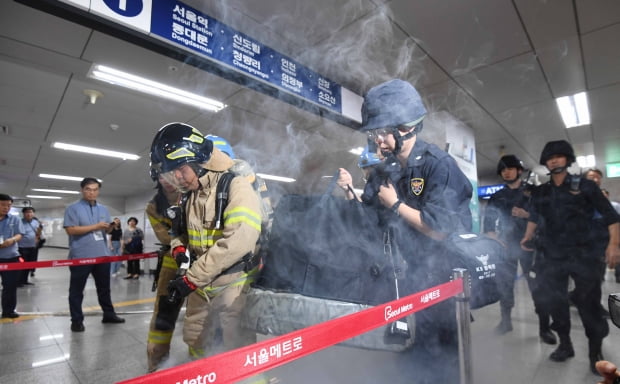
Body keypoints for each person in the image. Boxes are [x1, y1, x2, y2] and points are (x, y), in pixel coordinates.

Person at [360, 79, 473, 383]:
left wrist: (395, 204)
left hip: (442, 280)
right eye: (374, 133)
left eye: (382, 131)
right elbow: (372, 213)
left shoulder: (438, 165)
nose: (377, 140)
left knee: (441, 361)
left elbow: (439, 231)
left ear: (406, 127)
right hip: (412, 279)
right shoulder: (393, 167)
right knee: (415, 356)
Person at [149, 123, 262, 362]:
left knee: (239, 352)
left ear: (197, 161)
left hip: (233, 282)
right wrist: (179, 248)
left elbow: (239, 241)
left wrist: (190, 278)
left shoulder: (235, 185)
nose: (177, 177)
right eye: (172, 172)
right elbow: (181, 232)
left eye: (180, 169)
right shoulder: (190, 194)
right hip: (201, 285)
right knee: (196, 342)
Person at [520, 140, 620, 374]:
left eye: (559, 156)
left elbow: (611, 217)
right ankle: (565, 345)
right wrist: (527, 237)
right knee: (556, 302)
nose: (554, 160)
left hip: (583, 255)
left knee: (589, 306)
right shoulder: (542, 191)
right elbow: (533, 217)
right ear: (545, 162)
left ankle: (595, 352)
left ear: (567, 159)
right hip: (552, 256)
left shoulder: (586, 186)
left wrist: (614, 244)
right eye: (549, 157)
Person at [483, 155, 555, 342]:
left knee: (537, 287)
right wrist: (495, 239)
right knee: (505, 285)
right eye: (503, 169)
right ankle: (505, 322)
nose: (506, 172)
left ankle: (544, 327)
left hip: (530, 245)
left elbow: (548, 218)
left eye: (510, 168)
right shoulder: (497, 196)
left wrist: (527, 214)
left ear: (519, 170)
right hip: (507, 247)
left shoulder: (534, 192)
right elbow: (489, 224)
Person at [63, 177, 125, 332]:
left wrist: (112, 226)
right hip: (81, 256)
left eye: (95, 189)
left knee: (104, 288)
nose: (92, 193)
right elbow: (71, 230)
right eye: (88, 189)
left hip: (102, 255)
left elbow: (107, 231)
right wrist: (95, 226)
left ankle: (109, 314)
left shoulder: (103, 209)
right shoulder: (73, 208)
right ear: (82, 190)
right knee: (77, 290)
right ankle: (76, 321)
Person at [145, 175, 182, 372]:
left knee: (200, 317)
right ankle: (157, 366)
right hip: (172, 262)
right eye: (162, 176)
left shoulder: (192, 194)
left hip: (202, 262)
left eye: (170, 174)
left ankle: (205, 366)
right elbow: (165, 237)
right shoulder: (153, 206)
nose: (166, 180)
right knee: (163, 316)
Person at [0, 193, 24, 319]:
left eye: (9, 205)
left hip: (11, 257)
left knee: (10, 286)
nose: (6, 208)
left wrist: (12, 240)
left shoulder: (15, 219)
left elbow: (20, 234)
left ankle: (8, 310)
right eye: (3, 205)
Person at [17, 207, 42, 286]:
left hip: (33, 247)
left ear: (33, 213)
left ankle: (25, 280)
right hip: (22, 247)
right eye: (27, 212)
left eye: (31, 212)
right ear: (23, 214)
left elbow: (38, 232)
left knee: (30, 264)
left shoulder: (36, 222)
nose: (29, 214)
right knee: (21, 265)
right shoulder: (19, 222)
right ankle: (19, 281)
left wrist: (38, 238)